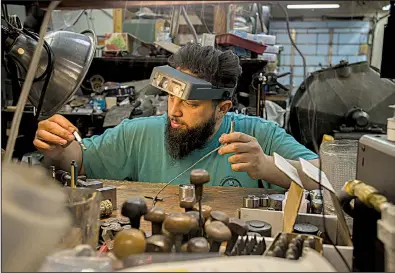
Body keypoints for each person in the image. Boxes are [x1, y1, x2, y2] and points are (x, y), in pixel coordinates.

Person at [34, 43, 318, 190]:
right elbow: (80, 162)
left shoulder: (258, 136)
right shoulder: (137, 134)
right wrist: (58, 146)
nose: (174, 111)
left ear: (223, 108)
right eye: (171, 97)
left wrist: (268, 167)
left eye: (191, 104)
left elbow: (327, 178)